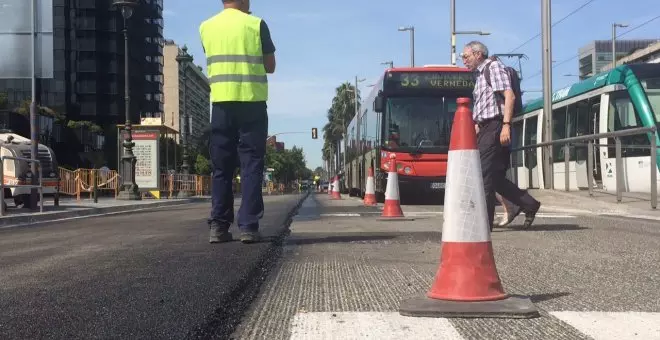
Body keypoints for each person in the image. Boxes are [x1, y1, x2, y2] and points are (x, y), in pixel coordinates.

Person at [199, 0, 276, 244]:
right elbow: (270, 66)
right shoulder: (256, 24)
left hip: (221, 104)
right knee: (251, 163)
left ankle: (219, 227)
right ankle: (249, 227)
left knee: (221, 167)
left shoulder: (206, 27)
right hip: (251, 103)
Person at [461, 41, 540, 230]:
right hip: (487, 127)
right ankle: (529, 204)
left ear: (478, 54)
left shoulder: (493, 67)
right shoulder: (480, 75)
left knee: (484, 175)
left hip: (496, 126)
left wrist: (505, 125)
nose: (463, 60)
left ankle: (484, 224)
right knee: (494, 177)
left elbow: (509, 96)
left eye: (466, 56)